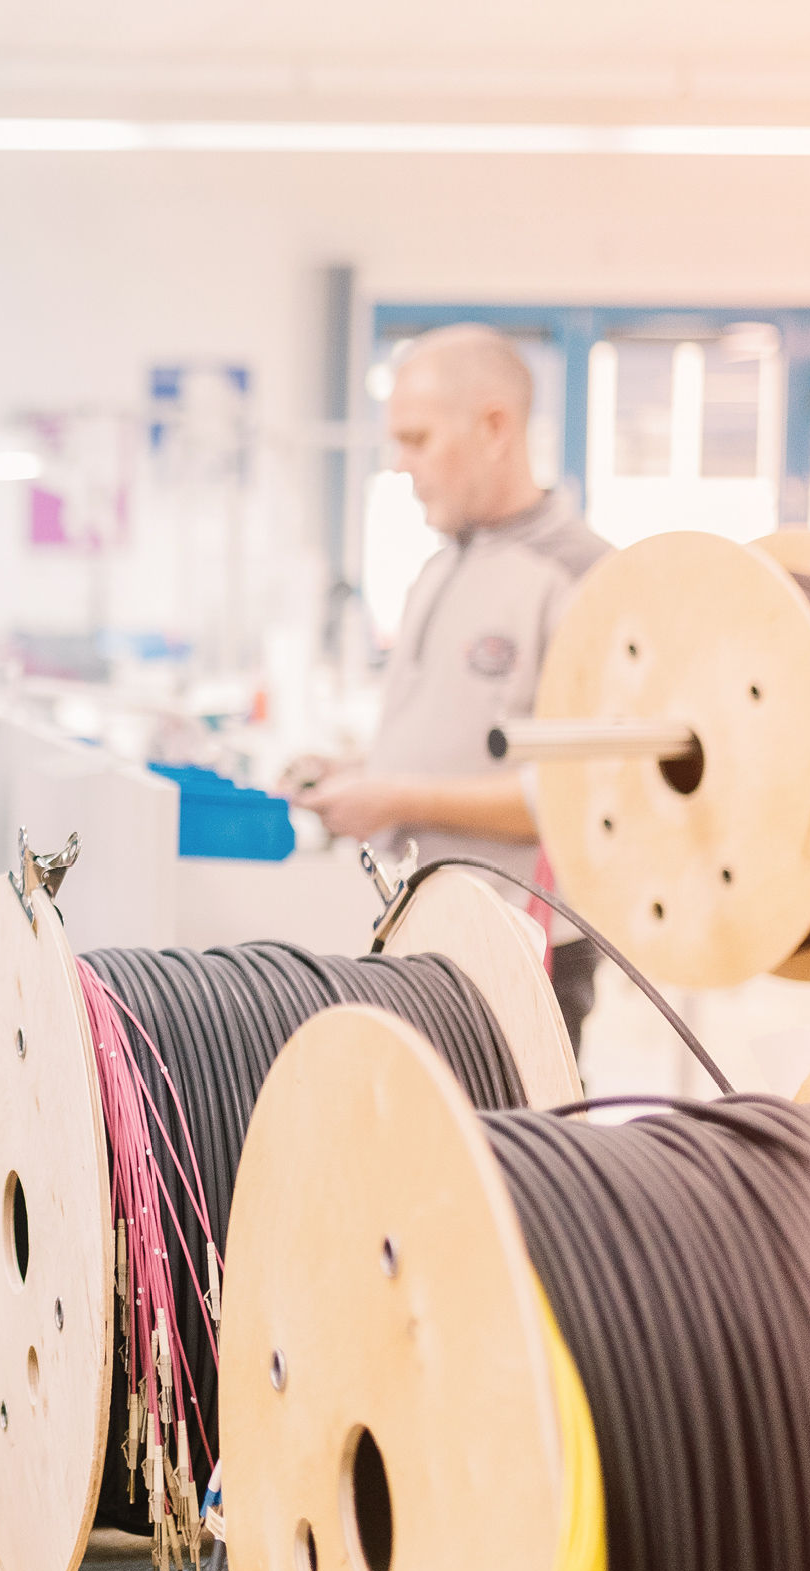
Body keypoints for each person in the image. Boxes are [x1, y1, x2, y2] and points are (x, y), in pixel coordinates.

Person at [304, 323, 614, 1047]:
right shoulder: (438, 568)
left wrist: (396, 797)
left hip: (519, 951)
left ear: (495, 427)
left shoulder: (583, 581)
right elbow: (457, 741)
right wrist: (358, 773)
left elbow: (574, 797)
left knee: (511, 1158)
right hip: (421, 934)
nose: (401, 466)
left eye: (416, 441)